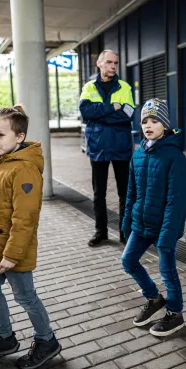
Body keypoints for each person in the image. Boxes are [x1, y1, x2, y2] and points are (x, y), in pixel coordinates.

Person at [0, 105, 61, 369]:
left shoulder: (24, 169)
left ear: (19, 137)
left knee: (26, 297)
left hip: (13, 250)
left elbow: (26, 218)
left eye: (0, 135)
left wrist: (11, 254)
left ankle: (47, 341)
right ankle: (5, 337)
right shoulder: (6, 161)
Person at [121, 98, 186, 337]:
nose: (148, 125)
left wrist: (168, 235)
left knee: (167, 271)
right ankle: (153, 298)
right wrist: (127, 220)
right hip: (141, 222)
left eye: (155, 120)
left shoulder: (175, 157)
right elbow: (131, 192)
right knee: (128, 261)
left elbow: (176, 201)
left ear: (165, 126)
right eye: (144, 121)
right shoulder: (138, 155)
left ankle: (175, 313)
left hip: (164, 227)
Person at [79, 50, 135, 246]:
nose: (113, 66)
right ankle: (100, 232)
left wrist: (100, 114)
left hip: (121, 147)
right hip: (98, 147)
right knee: (98, 193)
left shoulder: (125, 87)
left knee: (125, 193)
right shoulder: (88, 88)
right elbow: (85, 112)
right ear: (100, 64)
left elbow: (127, 115)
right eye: (109, 62)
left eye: (116, 63)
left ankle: (124, 233)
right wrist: (112, 107)